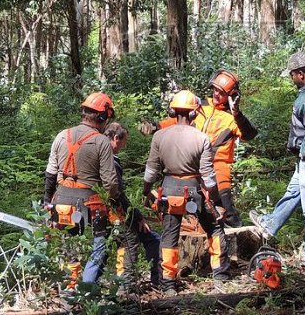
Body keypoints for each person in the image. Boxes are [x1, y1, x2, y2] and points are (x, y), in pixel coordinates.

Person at [249, 52, 305, 265]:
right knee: (293, 193)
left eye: (292, 75)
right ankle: (270, 224)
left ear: (300, 74)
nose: (291, 79)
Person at [141, 70, 258, 227]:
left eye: (221, 93)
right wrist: (156, 127)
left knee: (226, 211)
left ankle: (235, 243)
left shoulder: (233, 118)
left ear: (231, 95)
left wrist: (237, 113)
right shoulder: (200, 106)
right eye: (215, 89)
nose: (216, 94)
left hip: (218, 171)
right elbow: (177, 120)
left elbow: (249, 135)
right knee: (187, 208)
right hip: (193, 168)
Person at [142, 90, 230, 296]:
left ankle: (168, 283)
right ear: (193, 114)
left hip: (169, 190)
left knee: (169, 236)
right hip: (194, 190)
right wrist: (217, 202)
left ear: (173, 111)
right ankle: (221, 276)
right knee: (215, 228)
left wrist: (146, 191)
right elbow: (208, 177)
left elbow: (151, 170)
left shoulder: (159, 136)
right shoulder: (201, 138)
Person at [44, 92, 119, 286]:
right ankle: (88, 284)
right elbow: (110, 182)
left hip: (61, 199)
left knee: (69, 243)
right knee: (101, 242)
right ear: (102, 117)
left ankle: (70, 285)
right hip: (90, 201)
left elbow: (51, 172)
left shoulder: (62, 135)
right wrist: (112, 201)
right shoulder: (102, 141)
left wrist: (47, 200)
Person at [104, 122, 161, 289]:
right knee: (129, 242)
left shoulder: (101, 156)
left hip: (110, 212)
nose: (124, 145)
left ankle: (155, 281)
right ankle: (125, 286)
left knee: (151, 238)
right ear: (115, 138)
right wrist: (136, 216)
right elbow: (117, 193)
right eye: (124, 141)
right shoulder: (110, 162)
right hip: (115, 214)